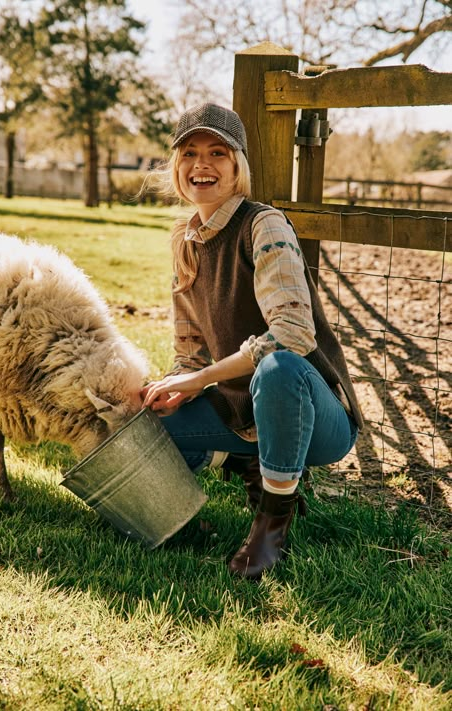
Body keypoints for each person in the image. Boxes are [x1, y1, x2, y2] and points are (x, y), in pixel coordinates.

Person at [141, 103, 363, 579]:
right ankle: (237, 459)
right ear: (176, 166)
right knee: (144, 420)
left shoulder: (263, 225)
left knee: (278, 368)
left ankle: (272, 521)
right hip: (237, 409)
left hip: (312, 415)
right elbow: (190, 353)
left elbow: (293, 335)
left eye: (217, 152)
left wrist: (201, 378)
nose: (202, 164)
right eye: (189, 153)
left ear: (237, 165)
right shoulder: (185, 240)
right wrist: (176, 385)